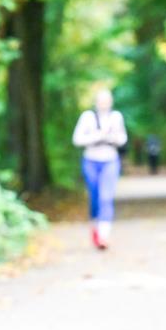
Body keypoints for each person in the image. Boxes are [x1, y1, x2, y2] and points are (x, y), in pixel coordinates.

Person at [72, 90, 127, 250]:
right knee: (95, 197)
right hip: (91, 160)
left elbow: (123, 139)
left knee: (106, 197)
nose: (104, 103)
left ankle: (104, 236)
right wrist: (97, 136)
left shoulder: (116, 117)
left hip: (110, 160)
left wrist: (112, 138)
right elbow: (77, 139)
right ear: (96, 102)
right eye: (101, 100)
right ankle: (95, 227)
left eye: (107, 100)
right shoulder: (87, 117)